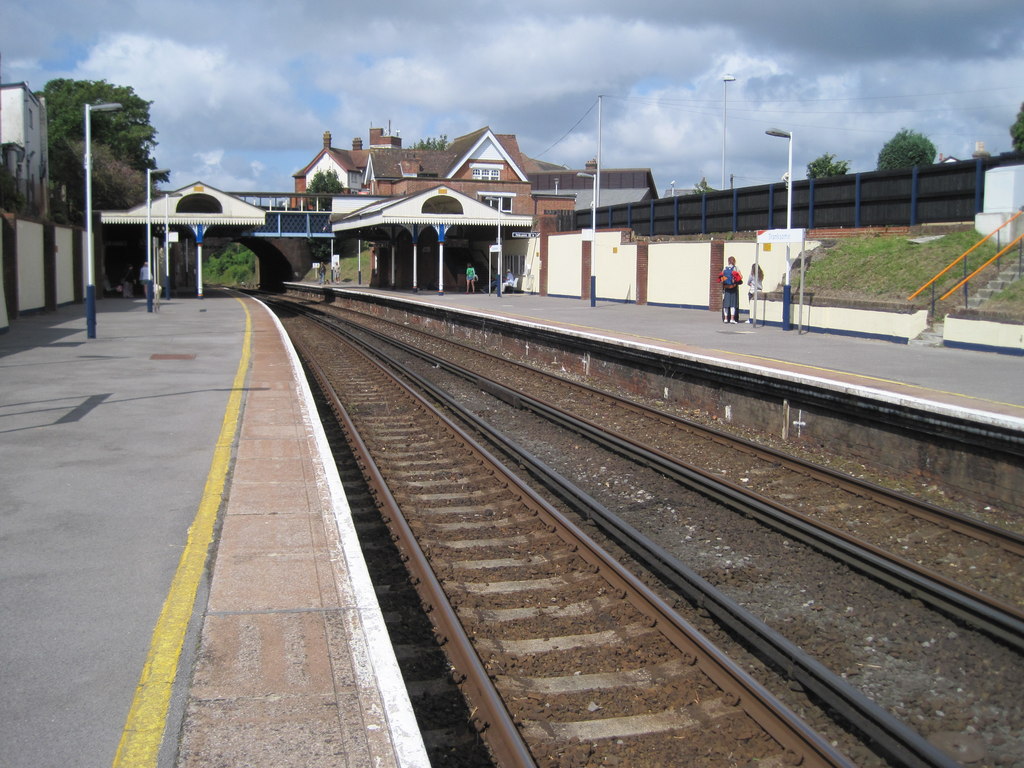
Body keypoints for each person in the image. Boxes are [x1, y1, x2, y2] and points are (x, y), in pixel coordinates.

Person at [718, 256, 743, 324]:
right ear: (734, 261)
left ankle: (726, 319)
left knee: (726, 304)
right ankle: (732, 319)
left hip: (726, 288)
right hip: (734, 288)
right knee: (733, 304)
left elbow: (721, 278)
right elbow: (741, 276)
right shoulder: (736, 268)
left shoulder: (725, 268)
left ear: (728, 261)